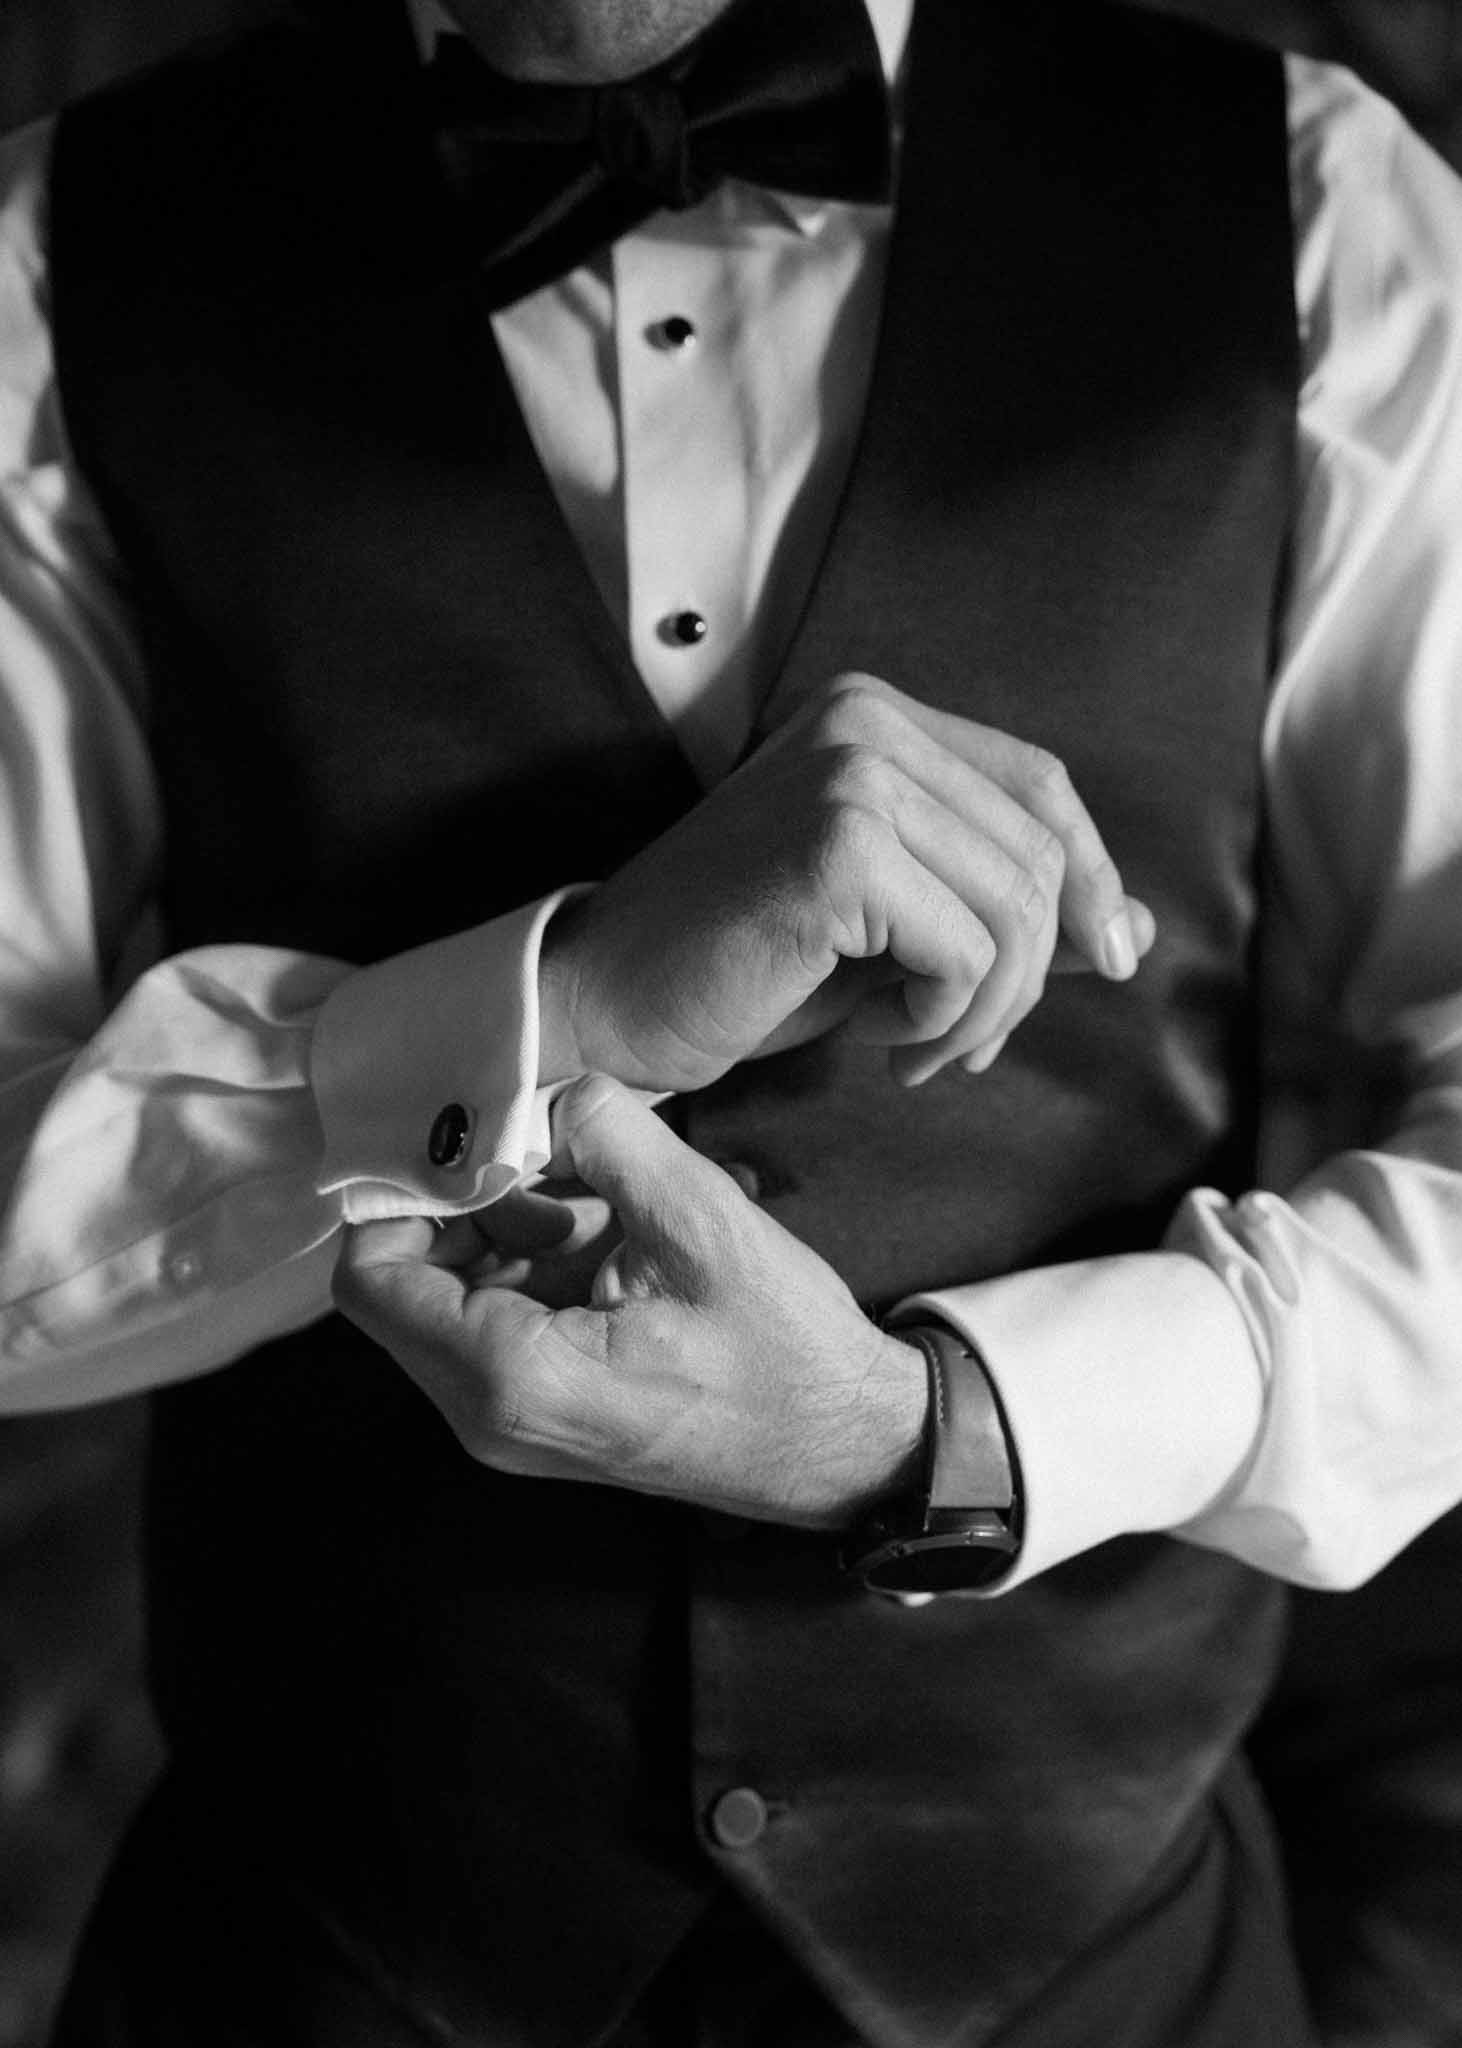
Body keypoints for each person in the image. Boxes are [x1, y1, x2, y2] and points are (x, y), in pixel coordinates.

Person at [2, 0, 1461, 2039]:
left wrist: (946, 1432)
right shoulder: (67, 250)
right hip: (331, 1947)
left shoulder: (1320, 208)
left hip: (1100, 1953)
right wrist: (560, 996)